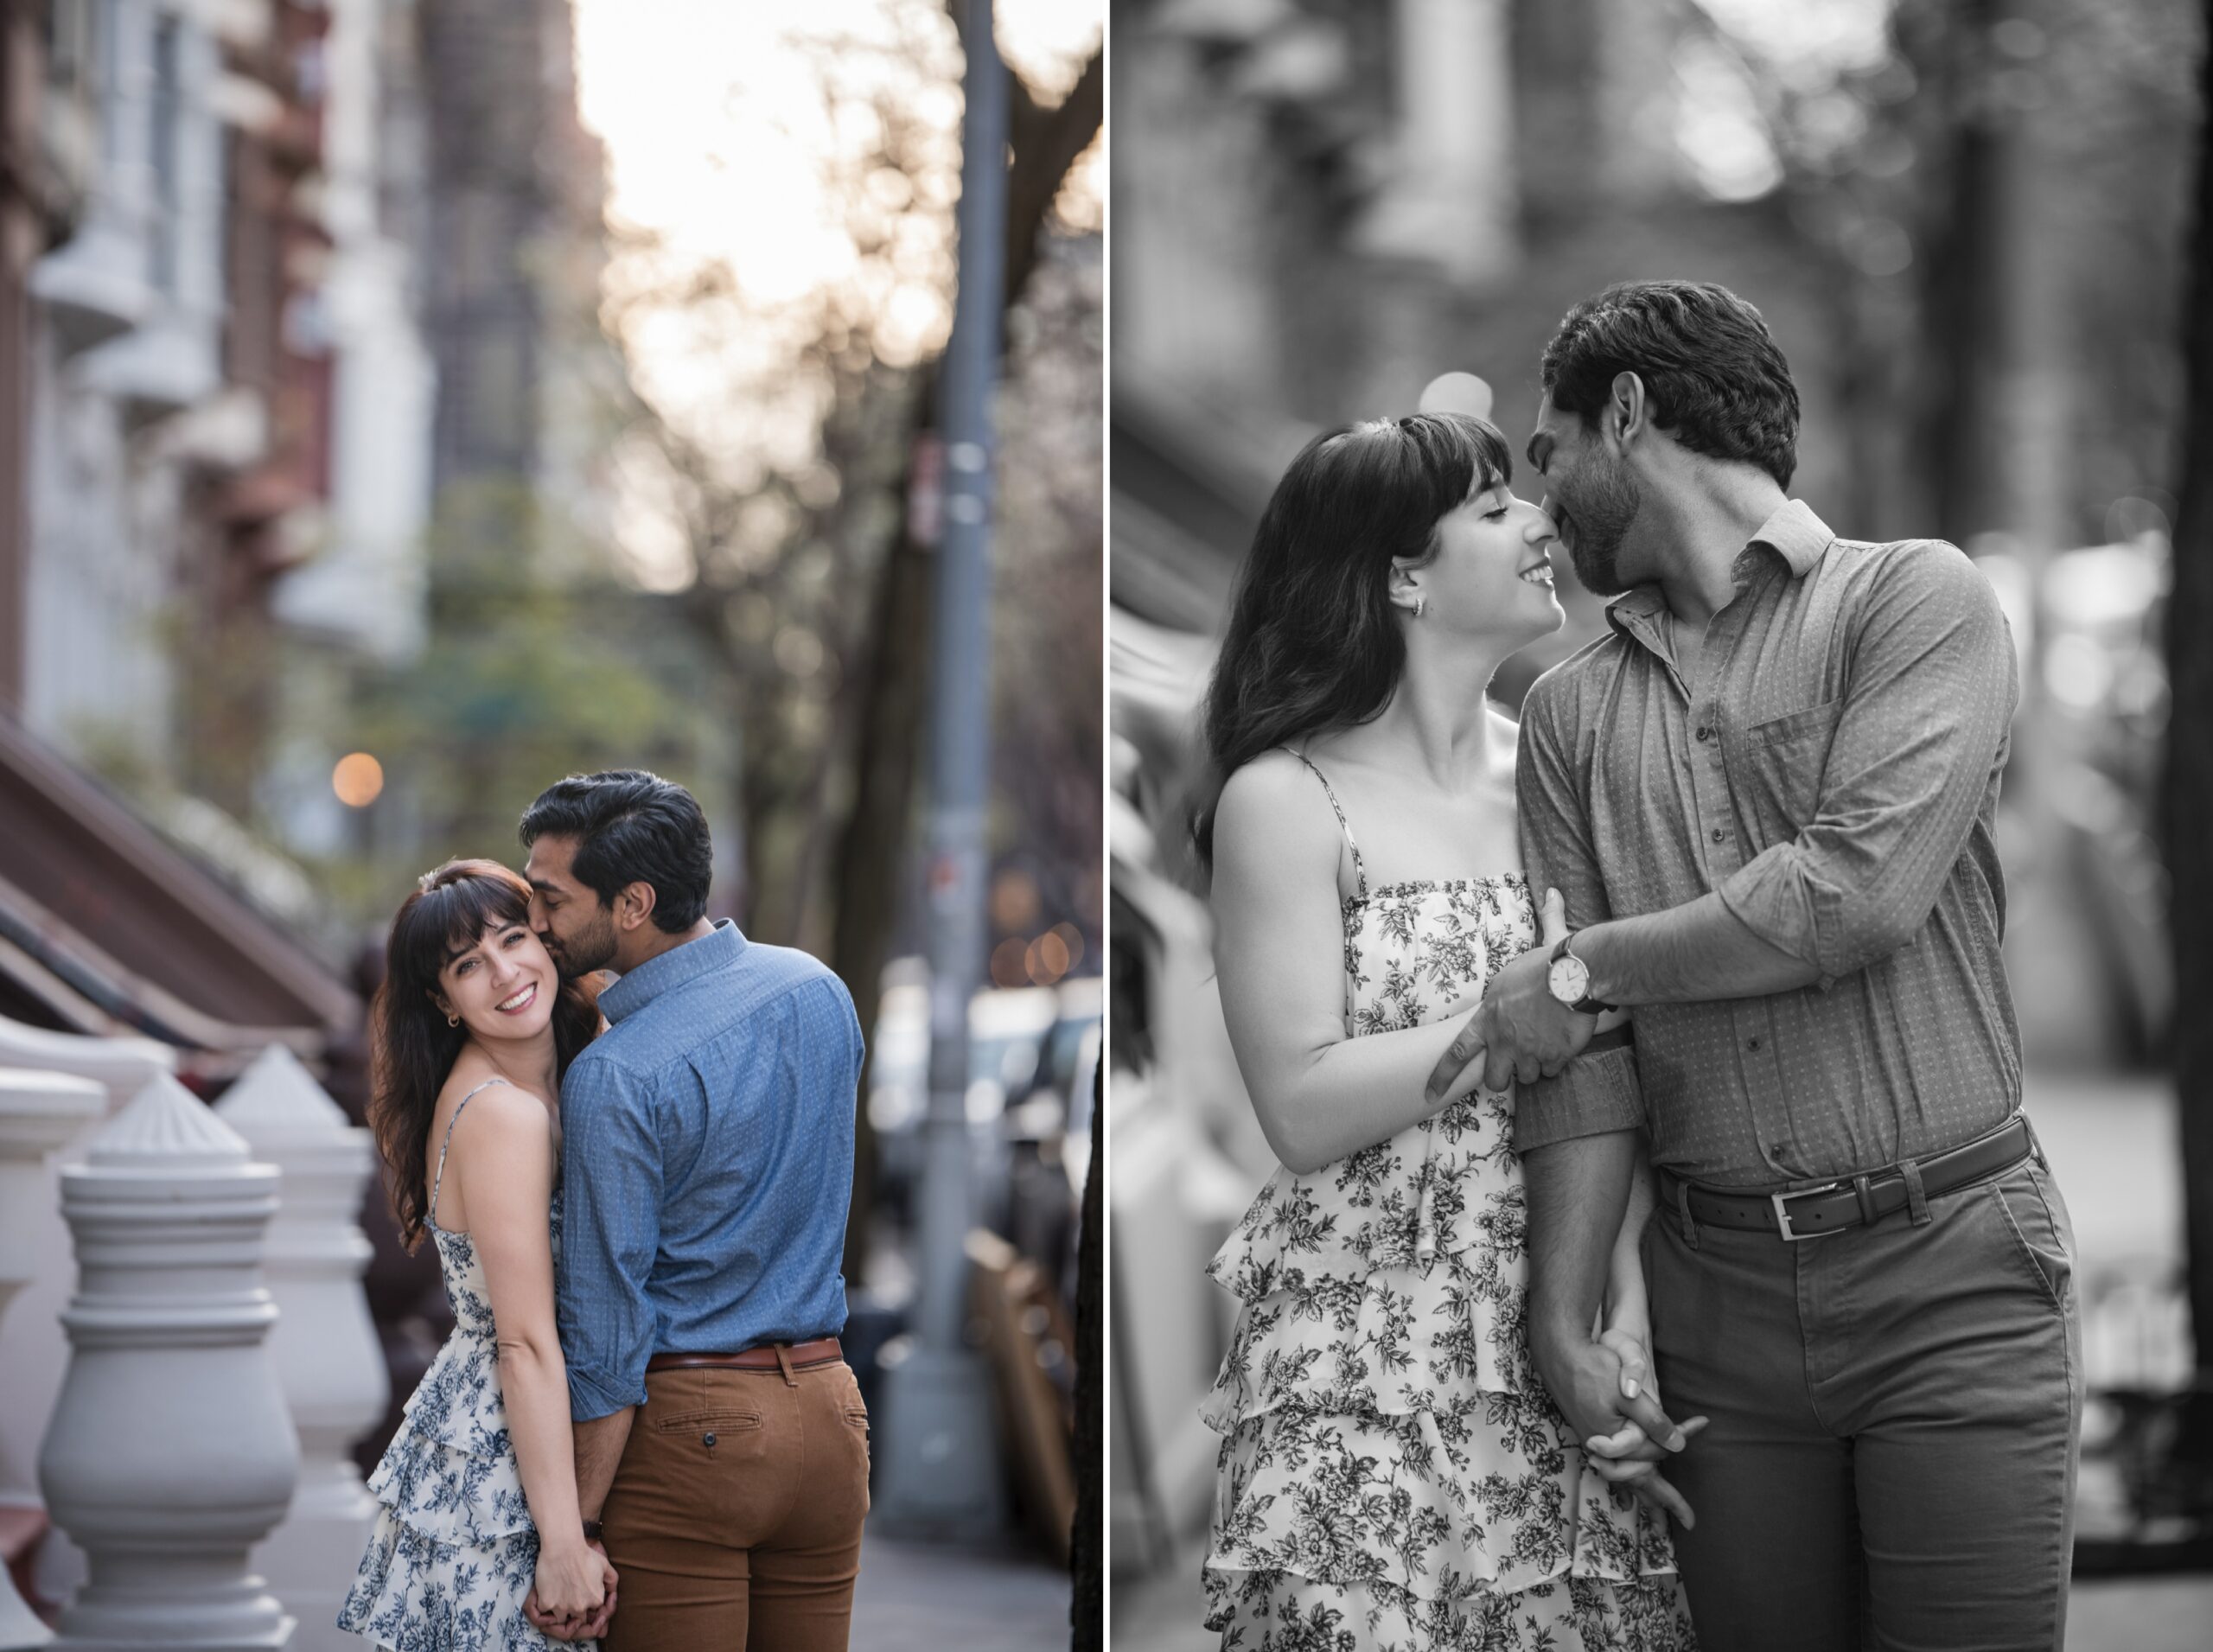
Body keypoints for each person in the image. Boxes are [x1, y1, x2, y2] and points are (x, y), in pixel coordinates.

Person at [1428, 280, 2081, 1651]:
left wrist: (1579, 968)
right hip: (1718, 1311)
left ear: (1626, 413)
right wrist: (1565, 1319)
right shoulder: (1563, 715)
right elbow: (1585, 1064)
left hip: (1953, 1273)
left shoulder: (1917, 601)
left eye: (1550, 455)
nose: (1543, 506)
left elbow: (1851, 895)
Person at [1195, 412, 1697, 1651]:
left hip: (1549, 1335)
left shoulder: (1555, 778)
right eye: (1493, 507)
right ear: (1402, 575)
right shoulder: (1284, 798)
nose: (1540, 521)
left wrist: (1617, 1316)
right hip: (1359, 1351)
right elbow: (1301, 1101)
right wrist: (1494, 1019)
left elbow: (1617, 1070)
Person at [515, 769, 870, 1651]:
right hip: (832, 1414)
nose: (536, 923)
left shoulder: (619, 1076)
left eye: (551, 899)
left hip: (692, 1435)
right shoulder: (818, 992)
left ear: (632, 903)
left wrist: (578, 1532)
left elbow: (607, 1328)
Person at [342, 858, 620, 1649]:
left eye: (514, 937)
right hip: (504, 1466)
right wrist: (563, 1542)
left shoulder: (557, 1077)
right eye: (468, 965)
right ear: (443, 1000)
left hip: (511, 1440)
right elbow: (524, 1339)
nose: (505, 971)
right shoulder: (501, 1113)